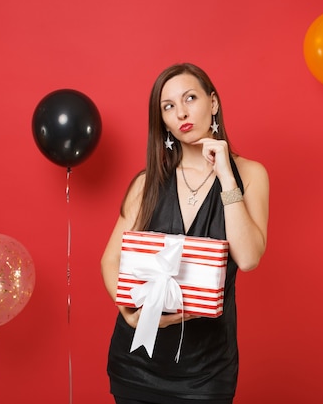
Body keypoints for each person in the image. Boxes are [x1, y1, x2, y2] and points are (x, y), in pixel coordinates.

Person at [101, 62, 269, 404]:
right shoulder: (147, 181)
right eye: (169, 106)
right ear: (162, 121)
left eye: (190, 98)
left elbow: (249, 258)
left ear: (213, 103)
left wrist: (225, 176)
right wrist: (128, 313)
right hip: (136, 362)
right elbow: (110, 259)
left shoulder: (250, 174)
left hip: (207, 371)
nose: (181, 113)